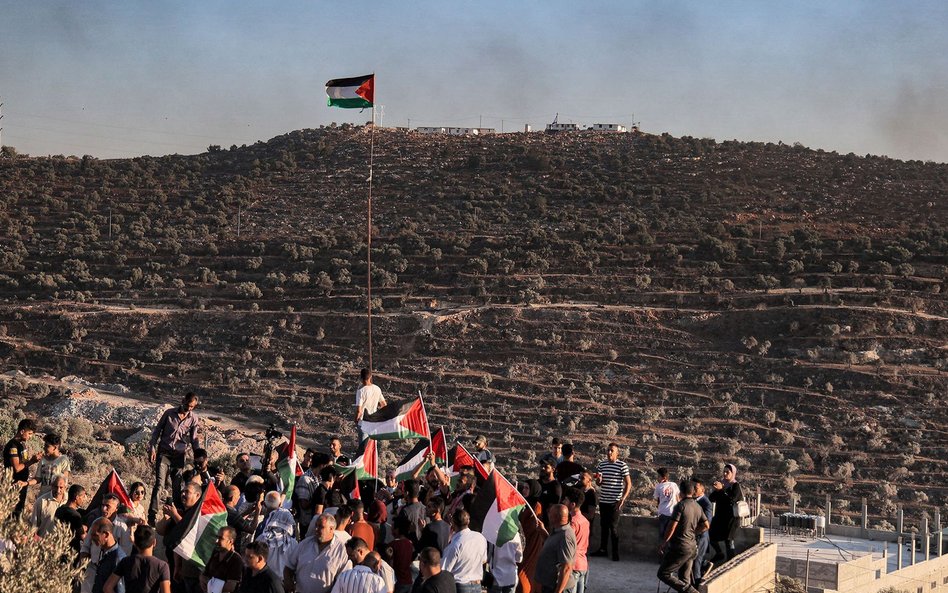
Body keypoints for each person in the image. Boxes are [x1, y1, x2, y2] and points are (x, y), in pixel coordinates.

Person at [147, 392, 200, 524]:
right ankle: (152, 516)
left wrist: (198, 455)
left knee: (177, 485)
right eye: (188, 405)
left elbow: (194, 439)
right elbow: (157, 430)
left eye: (192, 407)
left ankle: (178, 513)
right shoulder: (169, 413)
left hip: (179, 455)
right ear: (183, 401)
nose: (189, 409)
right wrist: (152, 447)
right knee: (160, 483)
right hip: (164, 452)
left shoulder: (193, 418)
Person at [656, 480, 709, 593]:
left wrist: (664, 543)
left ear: (681, 492)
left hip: (680, 546)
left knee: (663, 573)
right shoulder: (697, 506)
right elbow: (706, 525)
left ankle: (692, 592)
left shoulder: (680, 506)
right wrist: (693, 533)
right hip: (692, 547)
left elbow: (672, 526)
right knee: (684, 579)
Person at [283, 513, 351, 593]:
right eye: (316, 526)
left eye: (321, 527)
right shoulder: (305, 544)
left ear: (331, 529)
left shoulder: (341, 550)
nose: (316, 529)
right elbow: (289, 567)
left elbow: (343, 580)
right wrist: (288, 581)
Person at [591, 443, 630, 561]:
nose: (609, 453)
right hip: (603, 501)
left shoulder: (622, 465)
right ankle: (603, 550)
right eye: (608, 450)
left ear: (617, 453)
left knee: (613, 527)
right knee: (603, 526)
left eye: (612, 451)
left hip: (615, 502)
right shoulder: (601, 465)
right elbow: (599, 483)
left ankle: (615, 552)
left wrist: (622, 499)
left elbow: (628, 483)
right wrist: (598, 480)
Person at [104, 525, 171, 593]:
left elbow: (107, 588)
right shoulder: (162, 566)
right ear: (154, 542)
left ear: (135, 543)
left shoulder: (125, 561)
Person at [440, 509, 487, 593]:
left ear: (453, 523)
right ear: (468, 521)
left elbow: (445, 569)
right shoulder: (480, 537)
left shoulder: (455, 544)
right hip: (477, 585)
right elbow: (484, 560)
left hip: (461, 586)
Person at [4, 418, 42, 517]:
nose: (30, 436)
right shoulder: (13, 446)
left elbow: (23, 462)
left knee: (19, 512)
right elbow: (16, 468)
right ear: (22, 431)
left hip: (22, 485)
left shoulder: (22, 444)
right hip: (13, 485)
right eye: (29, 434)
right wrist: (32, 461)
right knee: (12, 513)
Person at [708, 463, 744, 564]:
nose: (724, 474)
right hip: (720, 517)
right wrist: (717, 490)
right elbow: (711, 498)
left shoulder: (735, 486)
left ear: (733, 473)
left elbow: (731, 500)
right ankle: (719, 553)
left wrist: (721, 490)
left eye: (727, 472)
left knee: (729, 541)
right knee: (711, 536)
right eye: (724, 471)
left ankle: (731, 562)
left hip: (731, 519)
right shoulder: (722, 484)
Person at [534, 504, 576, 593]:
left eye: (550, 513)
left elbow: (566, 567)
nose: (548, 514)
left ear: (556, 517)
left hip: (555, 588)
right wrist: (542, 531)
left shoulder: (565, 537)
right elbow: (553, 547)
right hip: (548, 586)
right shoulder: (558, 530)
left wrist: (558, 591)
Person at [202, 526, 245, 593]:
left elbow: (231, 587)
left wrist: (212, 586)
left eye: (221, 538)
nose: (217, 541)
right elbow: (204, 575)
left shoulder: (236, 560)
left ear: (230, 541)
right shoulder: (215, 554)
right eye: (217, 537)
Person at [90, 518, 128, 593]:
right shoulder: (105, 552)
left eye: (95, 535)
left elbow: (119, 589)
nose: (92, 538)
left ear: (106, 535)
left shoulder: (118, 559)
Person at [562, 488, 589, 593]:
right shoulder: (585, 520)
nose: (563, 502)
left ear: (572, 504)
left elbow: (567, 543)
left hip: (573, 566)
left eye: (566, 500)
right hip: (583, 565)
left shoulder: (572, 522)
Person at [690, 478, 714, 585]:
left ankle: (696, 586)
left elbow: (706, 525)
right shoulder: (693, 501)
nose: (694, 490)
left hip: (701, 537)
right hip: (693, 536)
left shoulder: (706, 503)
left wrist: (694, 533)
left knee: (696, 562)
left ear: (702, 489)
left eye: (696, 488)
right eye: (693, 487)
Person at [355, 369, 386, 442]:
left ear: (361, 377)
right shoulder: (377, 389)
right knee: (372, 445)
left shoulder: (361, 391)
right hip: (373, 421)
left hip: (363, 422)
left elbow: (359, 410)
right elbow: (384, 404)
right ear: (370, 377)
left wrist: (356, 419)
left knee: (363, 446)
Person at [56, 483, 88, 553]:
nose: (84, 499)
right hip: (71, 551)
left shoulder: (59, 509)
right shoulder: (75, 515)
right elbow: (83, 537)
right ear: (77, 497)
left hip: (58, 548)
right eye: (83, 496)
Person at [387, 518, 415, 593]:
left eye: (392, 527)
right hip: (408, 580)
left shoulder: (392, 545)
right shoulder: (410, 544)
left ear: (397, 530)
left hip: (398, 582)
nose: (391, 530)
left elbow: (390, 565)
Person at [654, 468, 680, 539]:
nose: (658, 478)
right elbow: (678, 499)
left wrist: (658, 513)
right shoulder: (674, 485)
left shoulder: (659, 486)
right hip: (674, 514)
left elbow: (658, 501)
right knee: (672, 535)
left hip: (663, 514)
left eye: (659, 476)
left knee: (662, 536)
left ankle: (662, 548)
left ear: (664, 477)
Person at [537, 460, 562, 527]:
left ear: (553, 469)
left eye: (546, 467)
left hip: (546, 524)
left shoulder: (555, 486)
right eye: (542, 466)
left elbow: (553, 507)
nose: (542, 469)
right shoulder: (537, 483)